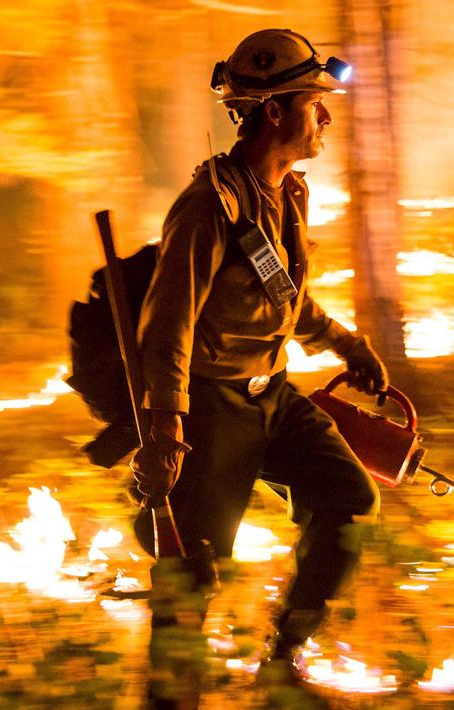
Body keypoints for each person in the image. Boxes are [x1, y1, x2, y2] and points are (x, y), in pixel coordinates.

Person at [131, 28, 388, 703]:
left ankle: (282, 665)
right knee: (192, 571)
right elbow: (167, 325)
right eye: (314, 103)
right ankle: (170, 700)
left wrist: (347, 344)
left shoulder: (287, 194)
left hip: (271, 394)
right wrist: (166, 427)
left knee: (349, 500)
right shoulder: (207, 207)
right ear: (274, 111)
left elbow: (284, 296)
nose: (325, 118)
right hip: (211, 408)